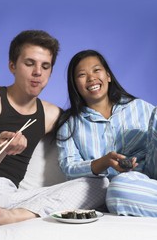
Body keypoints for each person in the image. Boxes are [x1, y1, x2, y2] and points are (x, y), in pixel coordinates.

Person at [0, 32, 107, 238]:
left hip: (13, 196)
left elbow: (91, 127)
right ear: (12, 66)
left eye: (45, 66)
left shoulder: (51, 114)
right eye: (29, 63)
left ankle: (23, 213)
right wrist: (0, 147)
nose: (37, 73)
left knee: (100, 184)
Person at [56, 49, 157, 217]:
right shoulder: (70, 124)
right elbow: (69, 168)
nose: (91, 78)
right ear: (75, 85)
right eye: (82, 75)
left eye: (96, 70)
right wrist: (104, 162)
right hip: (126, 188)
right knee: (118, 188)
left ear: (108, 76)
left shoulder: (139, 106)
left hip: (153, 171)